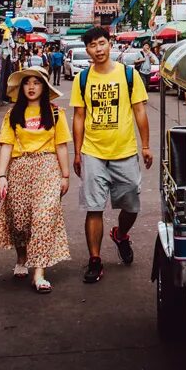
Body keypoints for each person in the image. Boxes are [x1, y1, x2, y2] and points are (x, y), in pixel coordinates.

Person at [71, 26, 152, 284]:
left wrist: (146, 145)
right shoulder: (82, 79)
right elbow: (79, 117)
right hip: (93, 152)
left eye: (102, 43)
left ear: (110, 44)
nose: (98, 49)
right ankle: (95, 260)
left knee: (131, 205)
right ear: (88, 50)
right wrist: (77, 152)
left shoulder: (129, 75)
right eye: (93, 45)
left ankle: (121, 234)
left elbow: (140, 111)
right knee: (93, 207)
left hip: (125, 152)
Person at [0, 68, 72, 292]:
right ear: (22, 88)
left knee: (44, 217)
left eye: (37, 82)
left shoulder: (56, 113)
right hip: (19, 169)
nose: (32, 87)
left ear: (44, 87)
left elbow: (61, 146)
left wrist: (65, 175)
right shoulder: (12, 114)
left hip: (47, 167)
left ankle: (39, 273)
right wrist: (1, 176)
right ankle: (22, 258)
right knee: (20, 221)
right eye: (27, 83)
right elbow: (6, 145)